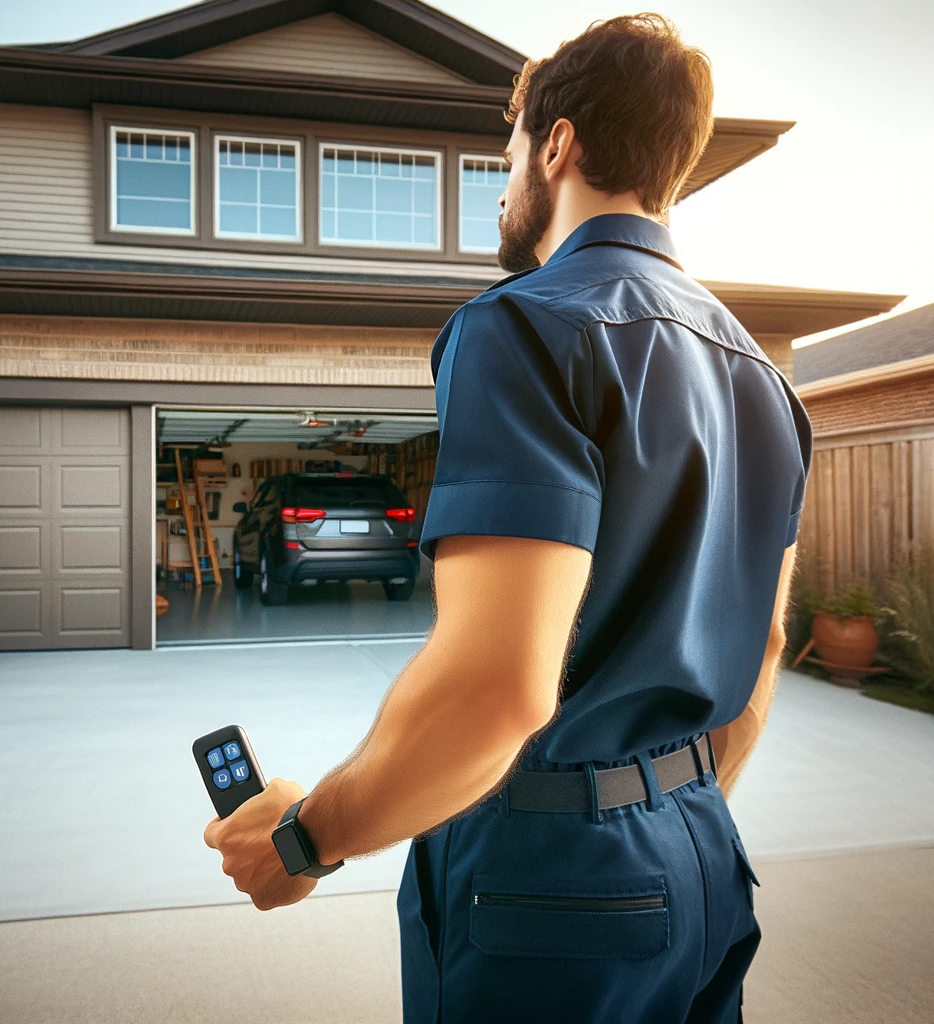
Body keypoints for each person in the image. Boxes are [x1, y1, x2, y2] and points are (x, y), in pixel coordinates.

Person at [203, 13, 809, 1022]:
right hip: (705, 859)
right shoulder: (764, 380)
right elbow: (765, 650)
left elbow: (495, 688)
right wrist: (664, 815)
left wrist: (304, 837)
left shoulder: (521, 326)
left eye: (508, 152)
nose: (501, 183)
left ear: (558, 145)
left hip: (548, 888)